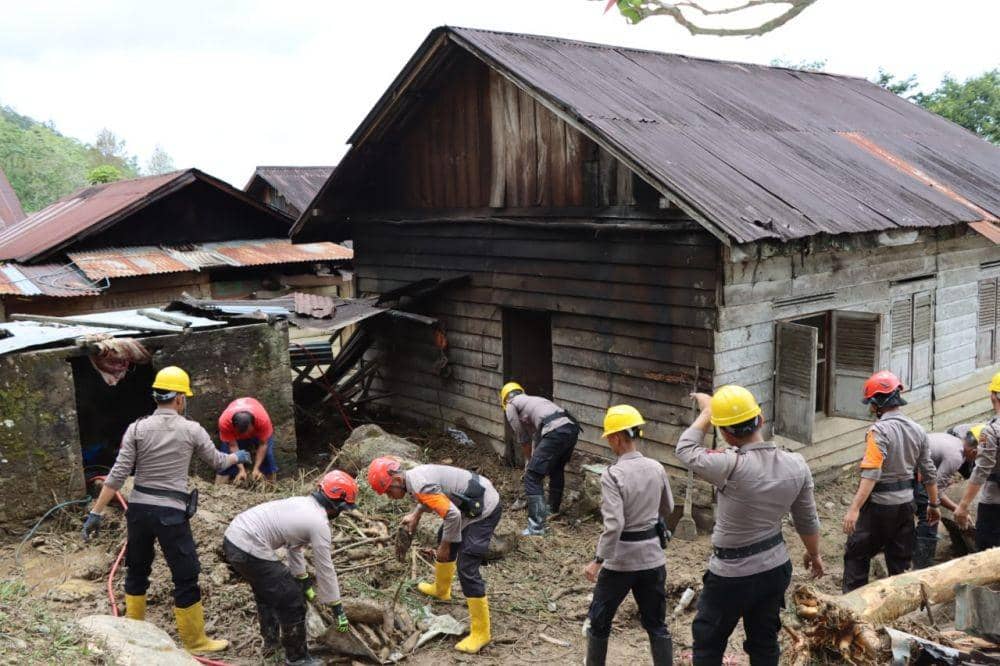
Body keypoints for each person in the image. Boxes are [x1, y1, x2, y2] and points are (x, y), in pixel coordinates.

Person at [81, 366, 250, 654]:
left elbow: (118, 474)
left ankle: (133, 635)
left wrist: (95, 512)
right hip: (171, 514)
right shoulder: (191, 430)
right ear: (180, 399)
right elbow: (219, 463)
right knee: (185, 574)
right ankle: (195, 642)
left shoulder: (136, 428)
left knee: (137, 569)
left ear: (157, 397)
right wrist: (238, 456)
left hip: (138, 512)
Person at [678, 385, 823, 666]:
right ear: (761, 419)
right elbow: (807, 518)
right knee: (764, 642)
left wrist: (707, 412)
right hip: (774, 568)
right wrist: (814, 554)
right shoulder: (796, 464)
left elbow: (685, 449)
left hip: (730, 574)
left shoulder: (729, 465)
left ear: (725, 433)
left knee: (708, 643)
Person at [368, 456, 501, 654]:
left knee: (466, 565)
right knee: (443, 535)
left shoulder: (419, 483)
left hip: (484, 509)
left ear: (396, 480)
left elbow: (452, 515)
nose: (389, 496)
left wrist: (446, 546)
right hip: (467, 504)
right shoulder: (413, 478)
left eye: (388, 491)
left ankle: (481, 633)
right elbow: (430, 497)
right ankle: (441, 590)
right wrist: (416, 515)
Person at [223, 471, 356, 666]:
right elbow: (325, 567)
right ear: (335, 505)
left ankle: (271, 642)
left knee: (267, 591)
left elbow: (294, 546)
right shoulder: (319, 523)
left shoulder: (302, 504)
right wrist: (337, 608)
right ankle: (297, 658)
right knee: (291, 597)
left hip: (233, 539)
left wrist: (303, 579)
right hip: (248, 544)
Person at [582, 405, 674, 666]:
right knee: (657, 624)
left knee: (599, 622)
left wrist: (598, 561)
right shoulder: (657, 467)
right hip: (653, 559)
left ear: (616, 438)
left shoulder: (613, 475)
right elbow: (667, 507)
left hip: (620, 562)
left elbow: (614, 524)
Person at [842, 370, 940, 592]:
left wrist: (854, 508)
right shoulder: (918, 430)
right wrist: (934, 505)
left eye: (871, 403)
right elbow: (928, 471)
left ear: (877, 403)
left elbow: (872, 473)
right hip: (906, 506)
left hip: (878, 507)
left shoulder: (878, 431)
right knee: (900, 563)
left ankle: (852, 610)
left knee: (857, 557)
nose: (870, 408)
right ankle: (900, 613)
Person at [500, 382, 580, 535]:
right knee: (556, 468)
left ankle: (536, 527)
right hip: (571, 428)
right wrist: (535, 458)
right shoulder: (533, 401)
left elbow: (522, 437)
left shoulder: (510, 406)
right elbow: (537, 436)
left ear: (505, 399)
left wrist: (530, 461)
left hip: (555, 431)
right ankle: (552, 509)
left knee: (532, 476)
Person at [912, 427, 980, 568]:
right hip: (910, 471)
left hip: (907, 465)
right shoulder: (956, 456)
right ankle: (922, 568)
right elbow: (936, 492)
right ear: (974, 452)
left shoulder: (952, 440)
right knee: (929, 517)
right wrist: (958, 509)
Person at [955, 372, 1000, 549]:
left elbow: (982, 470)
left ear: (994, 396)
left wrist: (963, 505)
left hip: (995, 505)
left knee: (988, 553)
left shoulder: (992, 431)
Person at [215, 397, 277, 484]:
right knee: (225, 461)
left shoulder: (262, 420)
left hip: (257, 430)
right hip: (234, 436)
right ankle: (218, 489)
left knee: (268, 457)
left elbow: (263, 444)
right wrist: (241, 470)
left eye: (247, 431)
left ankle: (271, 489)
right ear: (233, 425)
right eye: (240, 432)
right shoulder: (224, 422)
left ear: (253, 424)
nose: (244, 435)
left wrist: (256, 468)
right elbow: (233, 446)